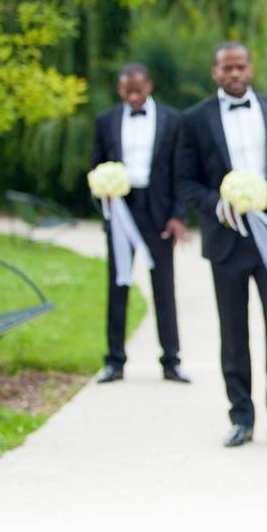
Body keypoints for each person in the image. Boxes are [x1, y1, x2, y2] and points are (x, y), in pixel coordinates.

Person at [176, 42, 267, 450]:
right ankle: (241, 418)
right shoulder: (195, 119)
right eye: (226, 68)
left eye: (240, 67)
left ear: (251, 69)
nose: (234, 74)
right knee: (233, 332)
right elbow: (185, 181)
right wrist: (219, 205)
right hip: (226, 244)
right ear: (215, 72)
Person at [91, 63, 190, 384]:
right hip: (121, 209)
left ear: (149, 86)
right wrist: (103, 199)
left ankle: (171, 360)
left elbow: (180, 171)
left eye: (138, 89)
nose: (133, 96)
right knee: (118, 284)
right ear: (119, 89)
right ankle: (114, 360)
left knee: (164, 286)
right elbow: (94, 167)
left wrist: (177, 215)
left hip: (157, 210)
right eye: (126, 90)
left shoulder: (173, 120)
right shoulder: (105, 121)